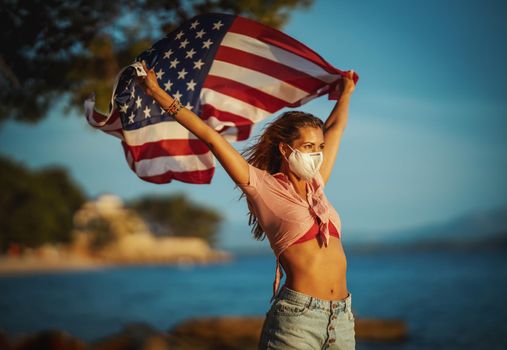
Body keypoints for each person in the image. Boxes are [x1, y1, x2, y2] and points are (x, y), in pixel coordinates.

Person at [138, 60, 356, 349]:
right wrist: (156, 93)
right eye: (308, 147)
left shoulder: (317, 184)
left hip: (342, 318)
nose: (316, 154)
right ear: (285, 149)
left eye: (319, 147)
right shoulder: (261, 186)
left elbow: (335, 129)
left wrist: (346, 93)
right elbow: (212, 139)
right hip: (299, 320)